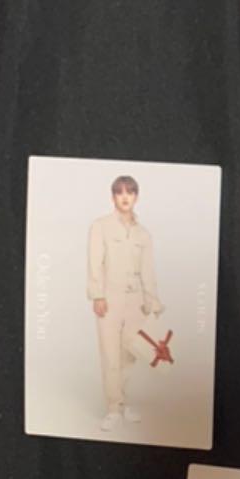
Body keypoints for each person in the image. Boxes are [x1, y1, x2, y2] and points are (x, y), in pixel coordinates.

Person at [86, 175, 163, 432]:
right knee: (110, 353)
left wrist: (152, 303)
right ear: (113, 197)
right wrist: (97, 295)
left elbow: (148, 271)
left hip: (135, 301)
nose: (125, 197)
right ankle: (113, 409)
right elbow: (94, 262)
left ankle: (124, 403)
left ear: (136, 196)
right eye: (119, 192)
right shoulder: (101, 226)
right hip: (110, 299)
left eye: (130, 192)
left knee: (130, 354)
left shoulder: (143, 234)